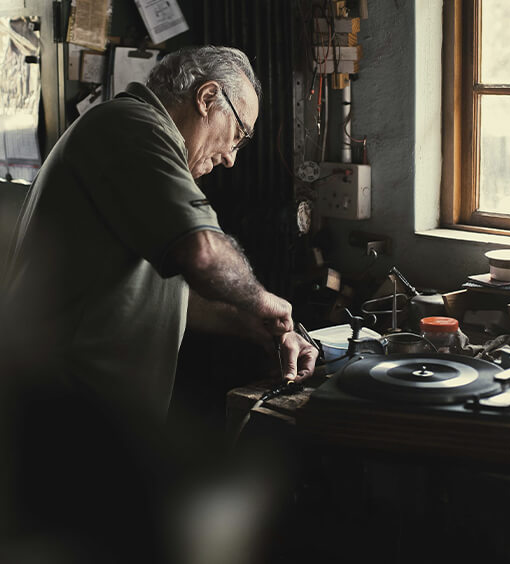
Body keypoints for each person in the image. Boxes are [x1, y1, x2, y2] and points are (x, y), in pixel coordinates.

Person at [0, 45, 318, 424]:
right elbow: (202, 254)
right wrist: (262, 301)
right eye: (239, 134)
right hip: (64, 413)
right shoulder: (133, 126)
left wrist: (261, 330)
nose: (232, 157)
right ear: (207, 97)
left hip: (87, 415)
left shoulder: (130, 138)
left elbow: (171, 297)